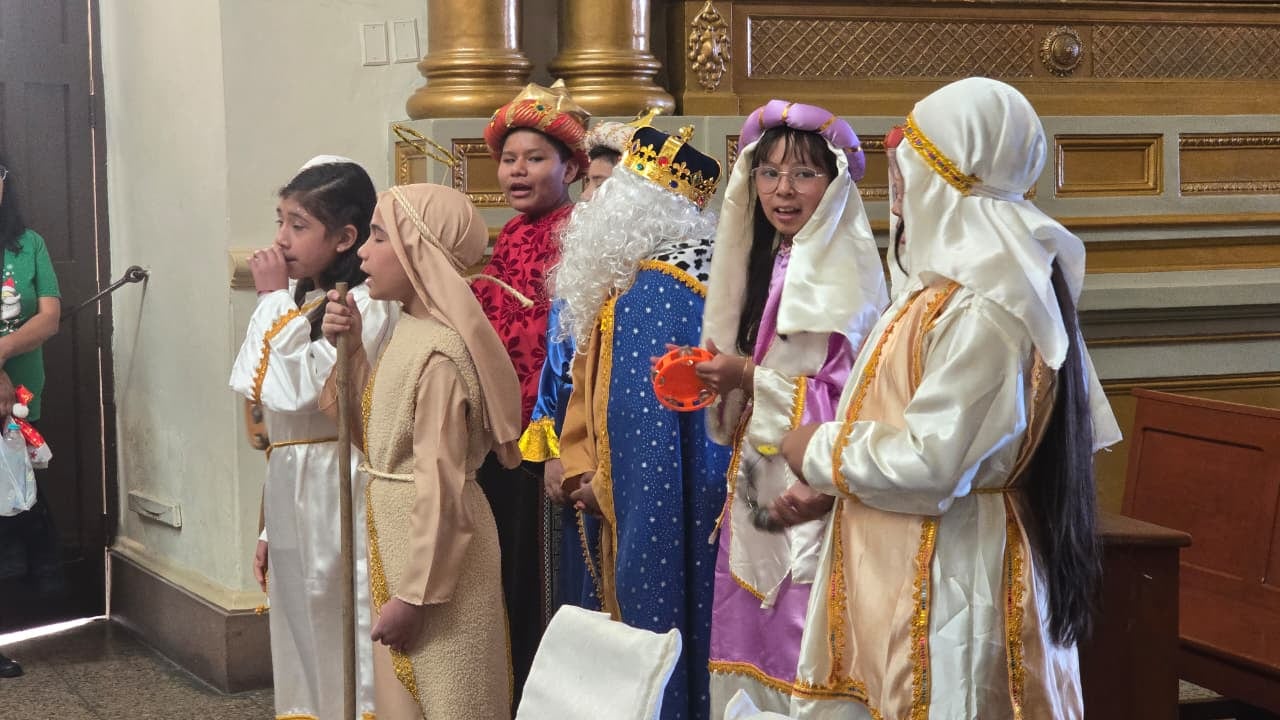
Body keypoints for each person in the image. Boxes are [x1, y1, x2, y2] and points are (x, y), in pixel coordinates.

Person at [773, 77, 1122, 719]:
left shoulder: (991, 307)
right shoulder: (939, 292)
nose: (896, 185)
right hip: (902, 560)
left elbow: (933, 464)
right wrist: (836, 485)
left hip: (956, 576)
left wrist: (815, 449)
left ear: (943, 179)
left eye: (907, 164)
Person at [695, 101, 888, 715]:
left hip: (812, 490)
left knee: (802, 641)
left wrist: (745, 376)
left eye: (803, 174)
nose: (783, 190)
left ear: (832, 186)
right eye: (769, 172)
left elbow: (847, 398)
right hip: (761, 481)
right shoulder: (775, 258)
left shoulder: (841, 271)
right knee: (749, 632)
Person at [321, 183, 522, 720]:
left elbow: (444, 485)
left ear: (418, 250)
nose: (362, 251)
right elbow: (375, 434)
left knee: (453, 697)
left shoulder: (440, 357)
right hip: (406, 545)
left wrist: (414, 597)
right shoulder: (406, 331)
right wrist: (354, 349)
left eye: (379, 237)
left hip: (438, 567)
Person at [554, 124, 729, 720]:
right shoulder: (711, 279)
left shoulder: (649, 293)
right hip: (716, 510)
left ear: (632, 205)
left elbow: (644, 443)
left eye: (610, 190)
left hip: (656, 516)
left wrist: (596, 486)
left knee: (654, 652)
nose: (592, 205)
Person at [228, 156, 393, 719]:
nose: (281, 239)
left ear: (345, 236)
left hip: (336, 479)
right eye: (280, 221)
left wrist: (271, 296)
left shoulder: (363, 303)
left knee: (340, 616)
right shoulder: (305, 299)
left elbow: (298, 392)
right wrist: (270, 524)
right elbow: (274, 418)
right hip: (293, 478)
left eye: (298, 225)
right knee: (299, 620)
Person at [475, 79, 589, 702]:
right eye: (509, 158)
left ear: (570, 166)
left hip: (543, 437)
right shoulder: (510, 236)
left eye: (535, 158)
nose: (517, 171)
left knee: (540, 579)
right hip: (497, 432)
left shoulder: (578, 234)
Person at [521, 118, 635, 614]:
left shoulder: (647, 276)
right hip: (572, 450)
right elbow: (555, 366)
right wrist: (551, 452)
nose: (588, 198)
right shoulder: (580, 268)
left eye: (603, 185)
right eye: (587, 183)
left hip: (623, 454)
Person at [0, 156, 62, 680]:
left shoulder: (30, 245)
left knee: (13, 518)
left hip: (20, 404)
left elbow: (49, 317)